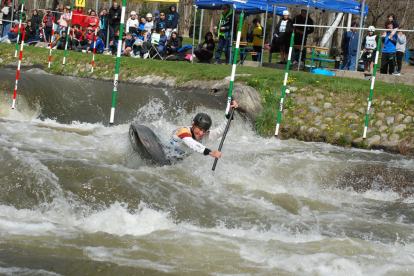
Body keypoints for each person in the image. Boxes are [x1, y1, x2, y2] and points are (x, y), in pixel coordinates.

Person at [170, 100, 238, 159]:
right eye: (200, 129)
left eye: (204, 130)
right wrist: (210, 152)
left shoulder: (205, 135)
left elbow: (221, 131)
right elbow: (192, 144)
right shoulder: (183, 131)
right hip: (170, 152)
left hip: (183, 156)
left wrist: (230, 113)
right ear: (194, 125)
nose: (201, 133)